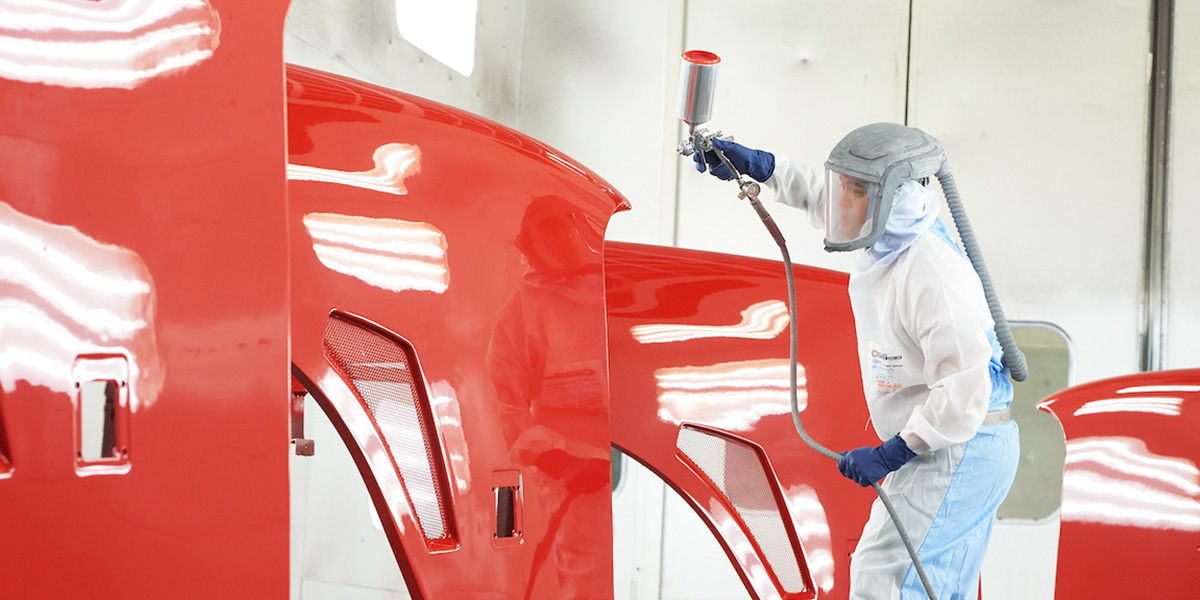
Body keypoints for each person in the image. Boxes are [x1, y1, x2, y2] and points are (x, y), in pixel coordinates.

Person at [694, 127, 1020, 600]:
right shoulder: (889, 231)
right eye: (842, 186)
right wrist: (760, 167)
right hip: (954, 443)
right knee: (937, 587)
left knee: (882, 576)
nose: (840, 202)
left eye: (856, 190)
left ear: (893, 195)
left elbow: (965, 391)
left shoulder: (932, 271)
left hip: (960, 444)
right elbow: (823, 195)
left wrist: (893, 453)